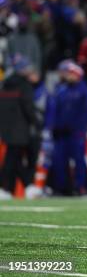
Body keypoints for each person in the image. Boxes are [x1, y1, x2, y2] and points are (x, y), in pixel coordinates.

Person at [48, 61, 87, 195]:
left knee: (79, 160)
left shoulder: (84, 91)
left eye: (70, 73)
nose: (67, 75)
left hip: (76, 132)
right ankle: (62, 188)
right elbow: (54, 110)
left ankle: (80, 187)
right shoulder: (61, 89)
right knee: (59, 160)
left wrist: (77, 127)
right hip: (61, 132)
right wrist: (53, 126)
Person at [0, 55, 40, 199]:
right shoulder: (24, 85)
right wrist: (37, 124)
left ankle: (15, 188)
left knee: (14, 159)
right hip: (21, 128)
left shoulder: (4, 84)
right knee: (12, 159)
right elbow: (28, 108)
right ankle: (10, 188)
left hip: (5, 128)